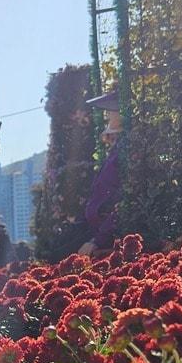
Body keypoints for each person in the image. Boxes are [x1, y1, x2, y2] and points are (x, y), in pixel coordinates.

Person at [81, 90, 122, 254]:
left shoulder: (127, 151)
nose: (106, 115)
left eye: (111, 110)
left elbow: (124, 201)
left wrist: (97, 242)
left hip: (108, 240)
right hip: (98, 234)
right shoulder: (115, 151)